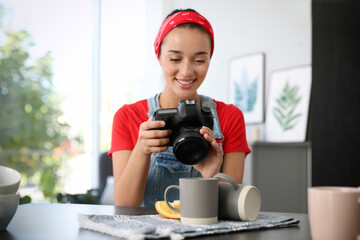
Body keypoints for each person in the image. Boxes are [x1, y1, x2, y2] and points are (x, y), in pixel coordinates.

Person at [108, 8, 251, 207]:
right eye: (175, 59)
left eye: (200, 60)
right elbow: (125, 204)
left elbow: (229, 206)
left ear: (210, 59)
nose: (186, 71)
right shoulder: (127, 116)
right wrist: (141, 149)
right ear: (158, 56)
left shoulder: (230, 116)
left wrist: (211, 176)